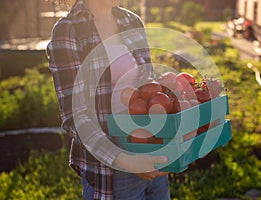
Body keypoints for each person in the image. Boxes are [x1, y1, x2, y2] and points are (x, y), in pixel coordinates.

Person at [46, 0, 170, 199]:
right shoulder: (68, 31)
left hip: (152, 158)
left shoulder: (132, 22)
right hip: (111, 173)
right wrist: (125, 161)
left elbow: (148, 91)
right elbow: (75, 116)